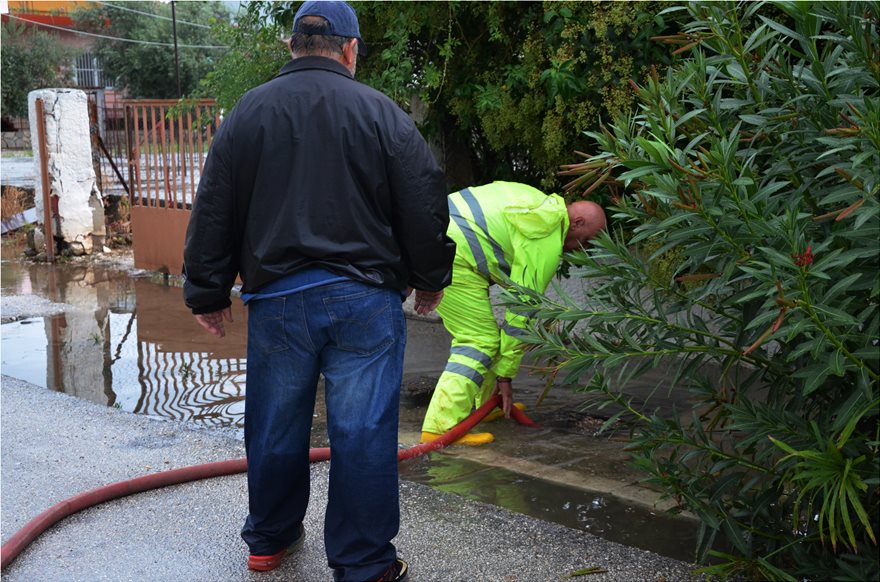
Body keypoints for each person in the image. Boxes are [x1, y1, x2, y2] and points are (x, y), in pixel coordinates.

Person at [182, 2, 455, 580]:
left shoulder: (249, 112)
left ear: (291, 46)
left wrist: (206, 291)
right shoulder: (382, 113)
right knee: (361, 432)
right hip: (364, 302)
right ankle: (362, 563)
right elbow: (424, 198)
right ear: (351, 49)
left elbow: (214, 205)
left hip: (279, 301)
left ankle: (268, 540)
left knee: (276, 422)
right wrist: (430, 278)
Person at [420, 182, 605, 446]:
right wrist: (505, 376)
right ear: (576, 223)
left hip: (434, 238)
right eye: (587, 241)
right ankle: (440, 427)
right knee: (477, 341)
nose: (582, 249)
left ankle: (486, 403)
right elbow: (521, 310)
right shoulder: (546, 237)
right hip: (451, 256)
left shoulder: (538, 202)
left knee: (488, 337)